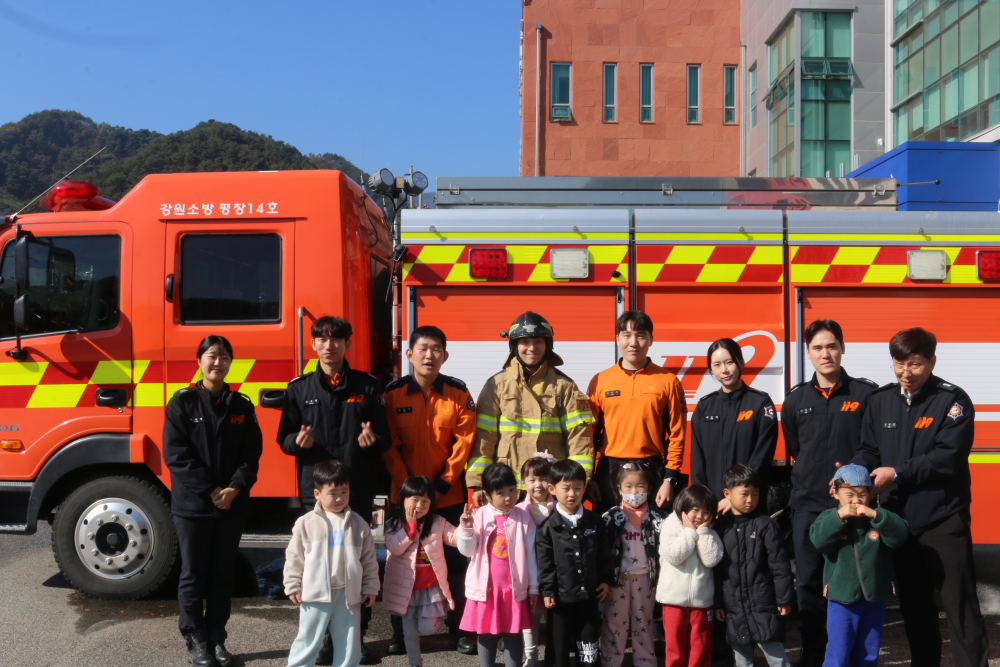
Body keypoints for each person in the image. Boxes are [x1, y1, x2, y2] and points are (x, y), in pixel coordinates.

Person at [851, 328, 989, 667]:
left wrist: (896, 472)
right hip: (897, 522)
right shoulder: (880, 400)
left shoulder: (952, 401)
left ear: (931, 361)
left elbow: (948, 458)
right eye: (898, 364)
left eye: (914, 365)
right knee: (914, 607)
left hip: (943, 519)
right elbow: (868, 450)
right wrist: (852, 474)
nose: (905, 373)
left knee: (959, 606)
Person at [277, 315, 390, 664]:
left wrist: (372, 442)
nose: (330, 345)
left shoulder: (368, 387)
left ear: (347, 344)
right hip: (320, 494)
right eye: (323, 340)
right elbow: (283, 438)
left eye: (337, 339)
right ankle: (323, 641)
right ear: (313, 345)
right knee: (319, 563)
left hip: (354, 491)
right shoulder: (299, 388)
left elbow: (385, 437)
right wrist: (296, 443)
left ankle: (356, 640)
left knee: (354, 563)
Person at [781, 319, 878, 666]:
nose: (826, 353)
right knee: (808, 584)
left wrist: (848, 477)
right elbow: (795, 447)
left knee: (853, 583)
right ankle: (813, 654)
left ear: (843, 348)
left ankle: (851, 656)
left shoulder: (866, 394)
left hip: (853, 506)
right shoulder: (795, 400)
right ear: (808, 353)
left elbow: (872, 446)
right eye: (818, 348)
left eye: (832, 346)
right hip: (808, 506)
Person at [163, 335, 263, 667]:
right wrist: (211, 490)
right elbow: (176, 456)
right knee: (193, 573)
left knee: (222, 574)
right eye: (211, 356)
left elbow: (251, 455)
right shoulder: (182, 403)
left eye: (223, 357)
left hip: (232, 506)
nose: (217, 362)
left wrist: (234, 489)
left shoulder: (242, 406)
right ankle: (195, 638)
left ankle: (217, 637)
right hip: (192, 506)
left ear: (230, 363)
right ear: (199, 361)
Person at [382, 326, 477, 655]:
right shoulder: (392, 395)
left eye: (436, 349)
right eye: (422, 348)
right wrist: (408, 488)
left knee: (453, 564)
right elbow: (388, 444)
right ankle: (399, 632)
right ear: (409, 354)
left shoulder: (458, 394)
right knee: (400, 562)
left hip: (447, 496)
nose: (429, 355)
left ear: (445, 356)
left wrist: (443, 483)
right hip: (402, 498)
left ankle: (460, 630)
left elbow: (464, 443)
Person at [467, 311, 595, 504]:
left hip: (550, 487)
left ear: (547, 345)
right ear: (515, 346)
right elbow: (484, 437)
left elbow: (579, 438)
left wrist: (578, 481)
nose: (531, 348)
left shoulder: (564, 386)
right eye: (524, 342)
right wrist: (478, 483)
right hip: (507, 488)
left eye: (538, 342)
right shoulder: (496, 385)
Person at [809, 464, 909, 667]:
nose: (856, 501)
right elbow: (819, 541)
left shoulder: (878, 518)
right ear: (835, 494)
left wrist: (875, 515)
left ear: (871, 494)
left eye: (863, 494)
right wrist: (839, 517)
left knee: (868, 655)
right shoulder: (829, 518)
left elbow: (900, 535)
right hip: (841, 599)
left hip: (874, 598)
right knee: (838, 654)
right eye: (849, 495)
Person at [587, 310, 686, 515]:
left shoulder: (668, 381)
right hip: (609, 470)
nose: (633, 342)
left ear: (651, 340)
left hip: (651, 469)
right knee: (607, 536)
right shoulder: (600, 381)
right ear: (617, 339)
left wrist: (669, 479)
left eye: (641, 335)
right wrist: (590, 477)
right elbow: (588, 435)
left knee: (652, 535)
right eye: (627, 335)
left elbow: (677, 434)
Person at [283, 460, 380, 667]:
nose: (339, 498)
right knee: (308, 640)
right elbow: (294, 557)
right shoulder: (305, 523)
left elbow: (369, 560)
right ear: (317, 494)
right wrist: (292, 584)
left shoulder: (359, 523)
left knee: (349, 644)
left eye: (344, 492)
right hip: (314, 594)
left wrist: (371, 587)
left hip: (348, 594)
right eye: (333, 493)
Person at [382, 476, 471, 667]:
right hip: (405, 589)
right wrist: (410, 528)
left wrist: (464, 526)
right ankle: (415, 663)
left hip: (430, 588)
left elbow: (456, 539)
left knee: (427, 628)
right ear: (403, 500)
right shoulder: (394, 524)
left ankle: (438, 620)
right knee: (410, 633)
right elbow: (394, 547)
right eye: (414, 499)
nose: (419, 505)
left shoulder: (437, 523)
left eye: (425, 501)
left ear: (431, 503)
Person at [457, 463, 538, 667]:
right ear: (487, 494)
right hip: (486, 589)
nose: (509, 497)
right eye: (500, 492)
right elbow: (467, 550)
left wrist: (534, 587)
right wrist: (466, 529)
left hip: (513, 589)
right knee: (485, 633)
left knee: (513, 632)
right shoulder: (480, 516)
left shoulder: (523, 518)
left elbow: (531, 557)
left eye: (512, 489)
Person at [713, 464, 793, 667]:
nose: (750, 500)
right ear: (727, 494)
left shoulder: (766, 525)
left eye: (756, 494)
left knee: (777, 658)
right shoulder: (721, 526)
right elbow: (717, 570)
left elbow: (780, 566)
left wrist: (784, 599)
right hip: (734, 608)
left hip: (763, 604)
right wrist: (718, 603)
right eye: (745, 494)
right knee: (741, 660)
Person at [537, 459, 613, 667]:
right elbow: (545, 563)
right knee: (558, 647)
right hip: (559, 599)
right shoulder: (547, 528)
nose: (572, 494)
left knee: (588, 647)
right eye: (566, 488)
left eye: (578, 488)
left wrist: (606, 580)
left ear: (585, 488)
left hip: (589, 595)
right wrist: (547, 590)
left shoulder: (595, 522)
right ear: (552, 489)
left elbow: (604, 556)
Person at [690, 338, 778, 508]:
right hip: (713, 507)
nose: (724, 370)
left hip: (749, 505)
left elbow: (762, 457)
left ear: (741, 362)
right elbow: (697, 463)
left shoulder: (761, 403)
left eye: (729, 362)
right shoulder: (704, 407)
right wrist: (702, 501)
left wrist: (735, 497)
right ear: (711, 370)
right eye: (717, 365)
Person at [600, 460, 668, 667]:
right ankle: (611, 661)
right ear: (619, 489)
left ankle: (645, 661)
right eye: (628, 487)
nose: (634, 491)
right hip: (617, 581)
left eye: (640, 486)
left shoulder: (659, 519)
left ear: (649, 488)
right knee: (614, 624)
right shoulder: (610, 518)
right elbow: (602, 554)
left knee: (644, 624)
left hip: (646, 581)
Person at [656, 484, 724, 667]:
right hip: (673, 600)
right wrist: (689, 533)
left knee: (701, 647)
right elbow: (674, 555)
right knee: (674, 647)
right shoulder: (670, 525)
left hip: (702, 601)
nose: (700, 516)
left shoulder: (710, 532)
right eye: (695, 510)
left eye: (706, 512)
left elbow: (711, 559)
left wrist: (702, 532)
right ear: (683, 508)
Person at [516, 454, 558, 667]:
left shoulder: (558, 509)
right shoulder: (519, 510)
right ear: (523, 483)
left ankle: (554, 656)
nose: (538, 485)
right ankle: (530, 657)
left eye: (543, 479)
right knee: (530, 617)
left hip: (553, 570)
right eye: (532, 480)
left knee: (554, 616)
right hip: (529, 571)